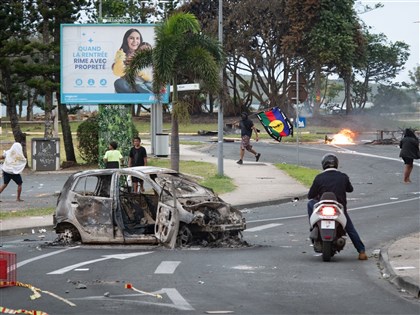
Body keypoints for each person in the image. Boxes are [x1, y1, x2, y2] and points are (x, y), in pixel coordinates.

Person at [307, 153, 368, 261]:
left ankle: (313, 225)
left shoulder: (319, 177)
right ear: (336, 164)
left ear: (323, 164)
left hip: (322, 209)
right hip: (339, 209)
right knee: (350, 229)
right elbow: (350, 189)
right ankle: (361, 251)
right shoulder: (343, 177)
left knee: (310, 204)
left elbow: (310, 195)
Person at [112, 28, 153, 94]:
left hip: (144, 84)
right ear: (126, 40)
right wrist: (120, 60)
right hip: (130, 85)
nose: (135, 41)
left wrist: (142, 73)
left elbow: (151, 74)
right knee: (119, 82)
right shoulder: (122, 54)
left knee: (150, 84)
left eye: (137, 38)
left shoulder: (144, 52)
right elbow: (118, 72)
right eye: (131, 38)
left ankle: (144, 92)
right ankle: (140, 93)